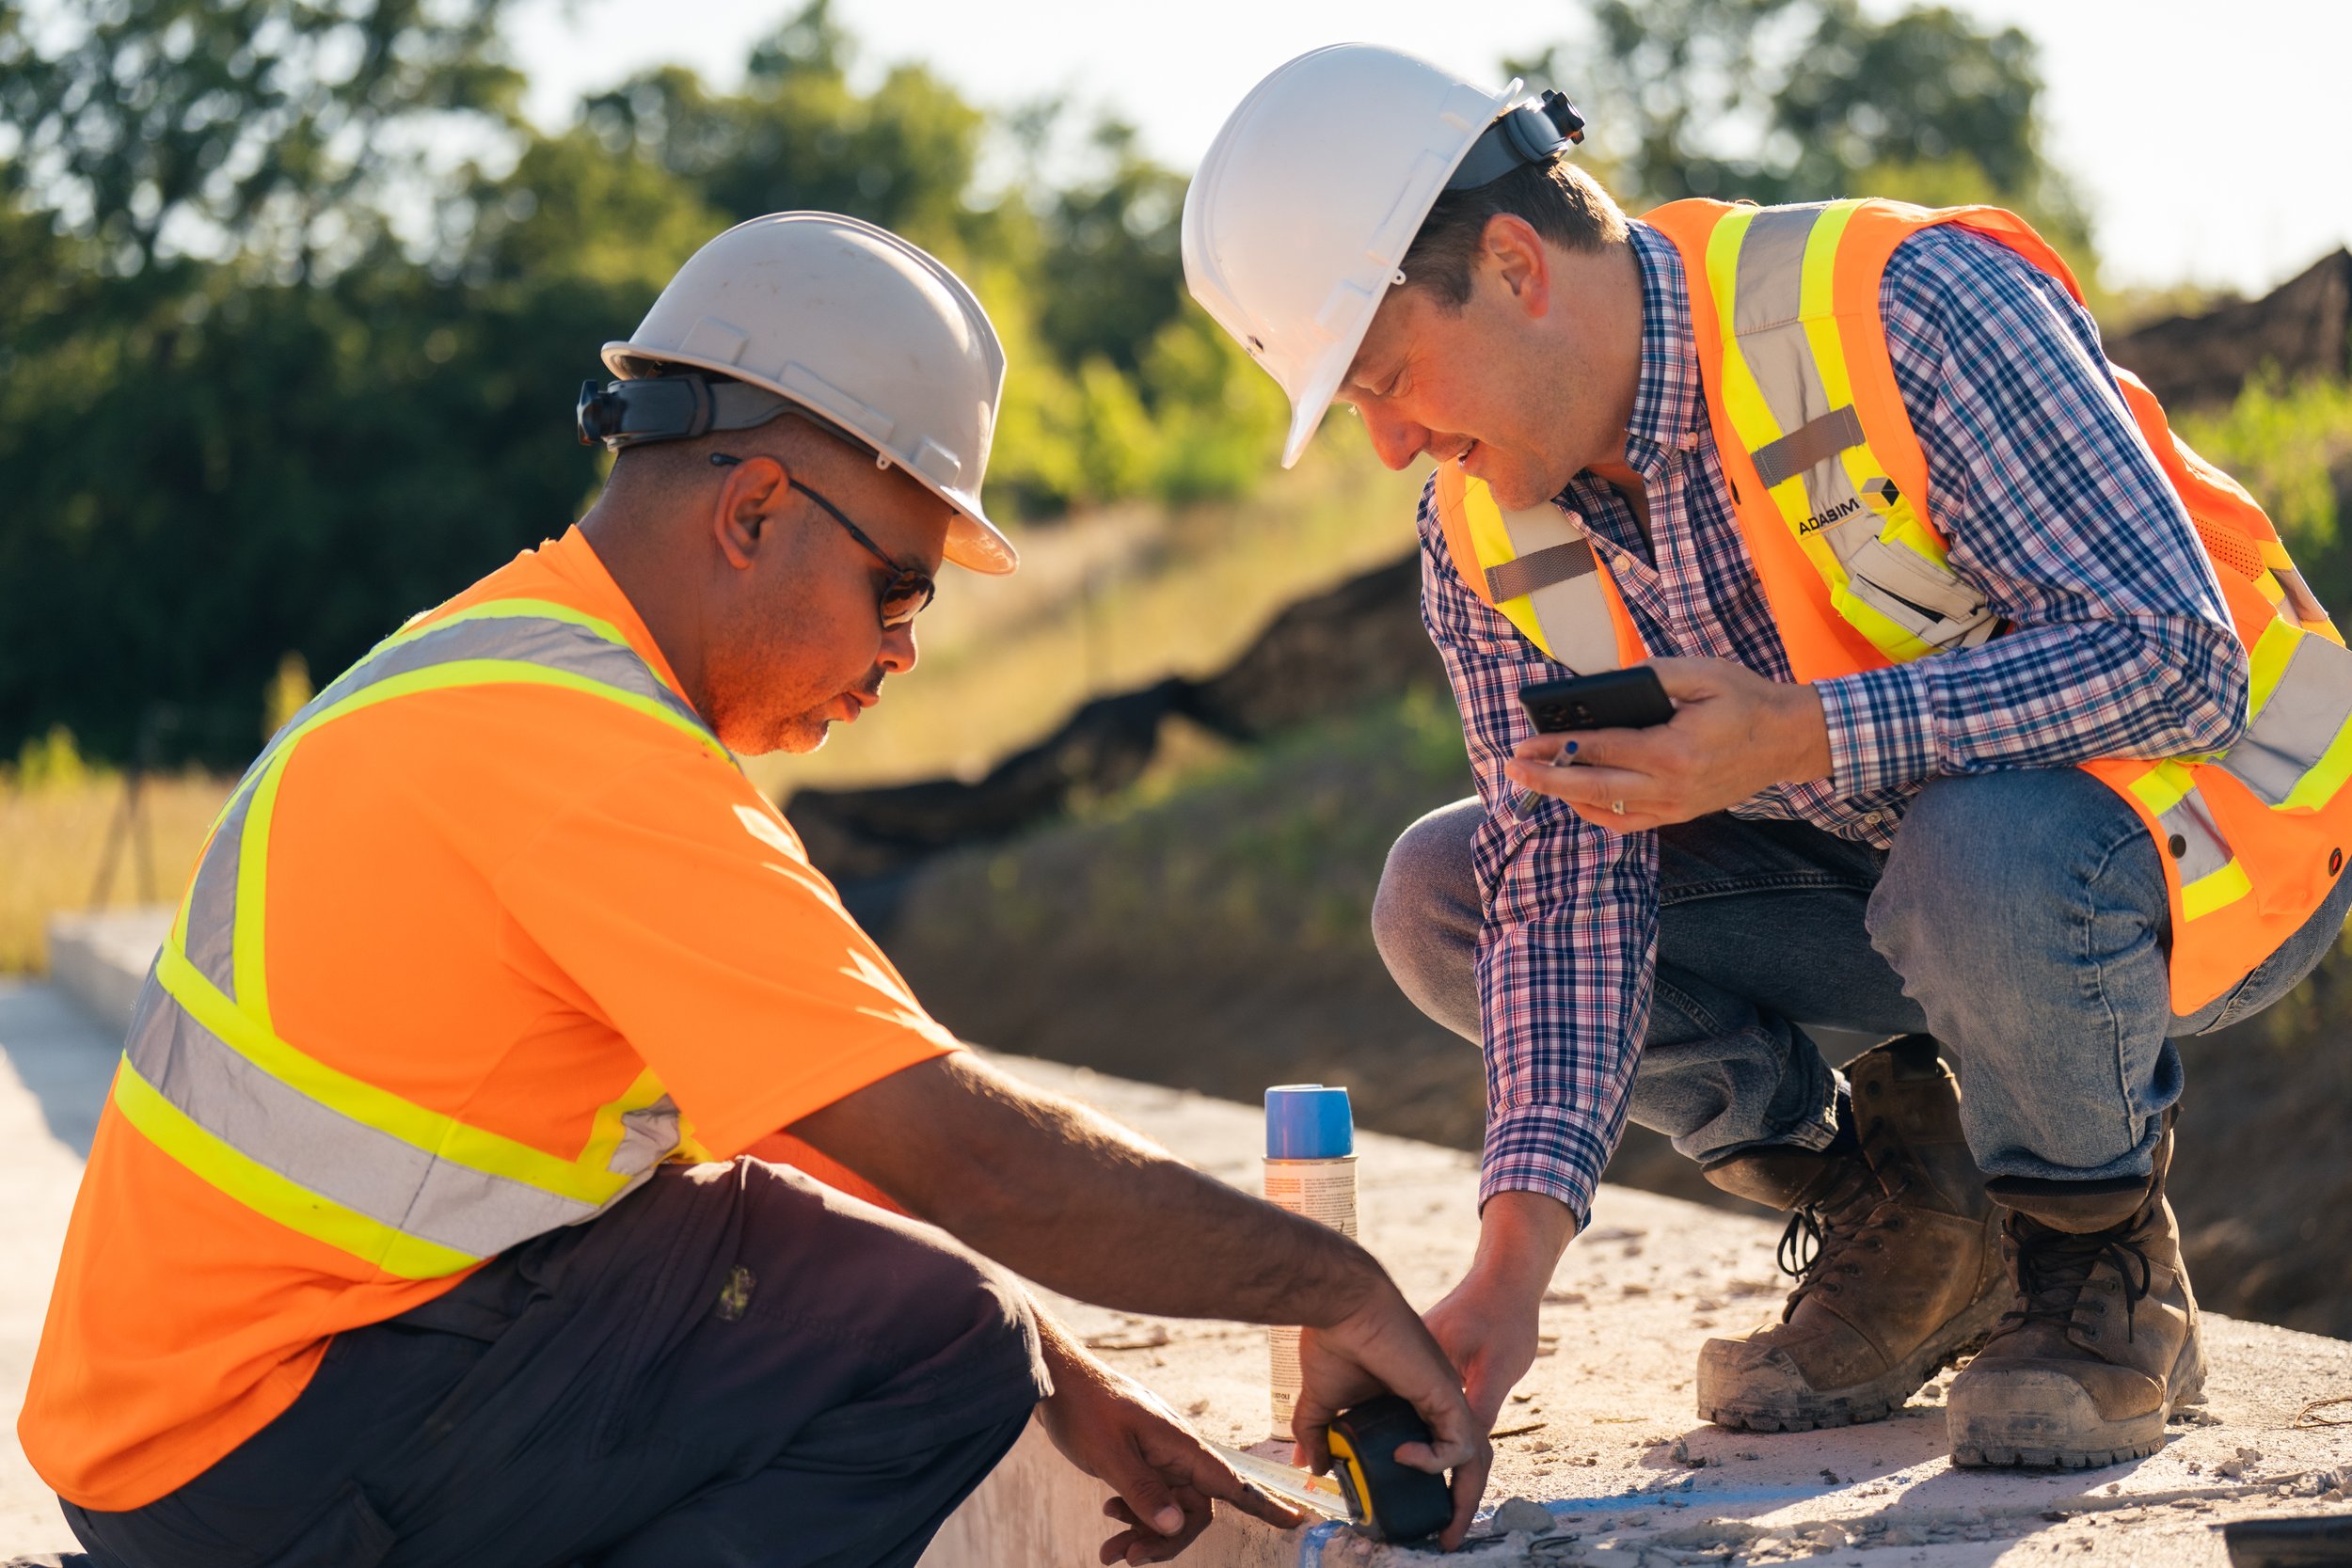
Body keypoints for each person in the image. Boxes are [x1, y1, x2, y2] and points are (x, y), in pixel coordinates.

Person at [17, 211, 1487, 1568]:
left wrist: (1067, 1375)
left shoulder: (489, 667)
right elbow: (964, 1153)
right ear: (755, 513)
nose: (904, 651)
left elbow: (796, 1132)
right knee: (934, 1340)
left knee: (872, 1290)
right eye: (899, 589)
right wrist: (1335, 1286)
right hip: (256, 1464)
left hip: (202, 1430)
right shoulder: (593, 760)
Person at [1181, 45, 2352, 1470]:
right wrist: (1509, 1277)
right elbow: (1562, 894)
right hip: (1903, 877)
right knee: (1452, 896)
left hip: (2217, 836)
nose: (1389, 445)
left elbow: (2177, 653)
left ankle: (2094, 1266)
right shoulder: (1484, 538)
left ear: (1512, 263)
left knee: (1978, 846)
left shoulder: (1908, 310)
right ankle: (1918, 1220)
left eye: (1385, 379)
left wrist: (1804, 734)